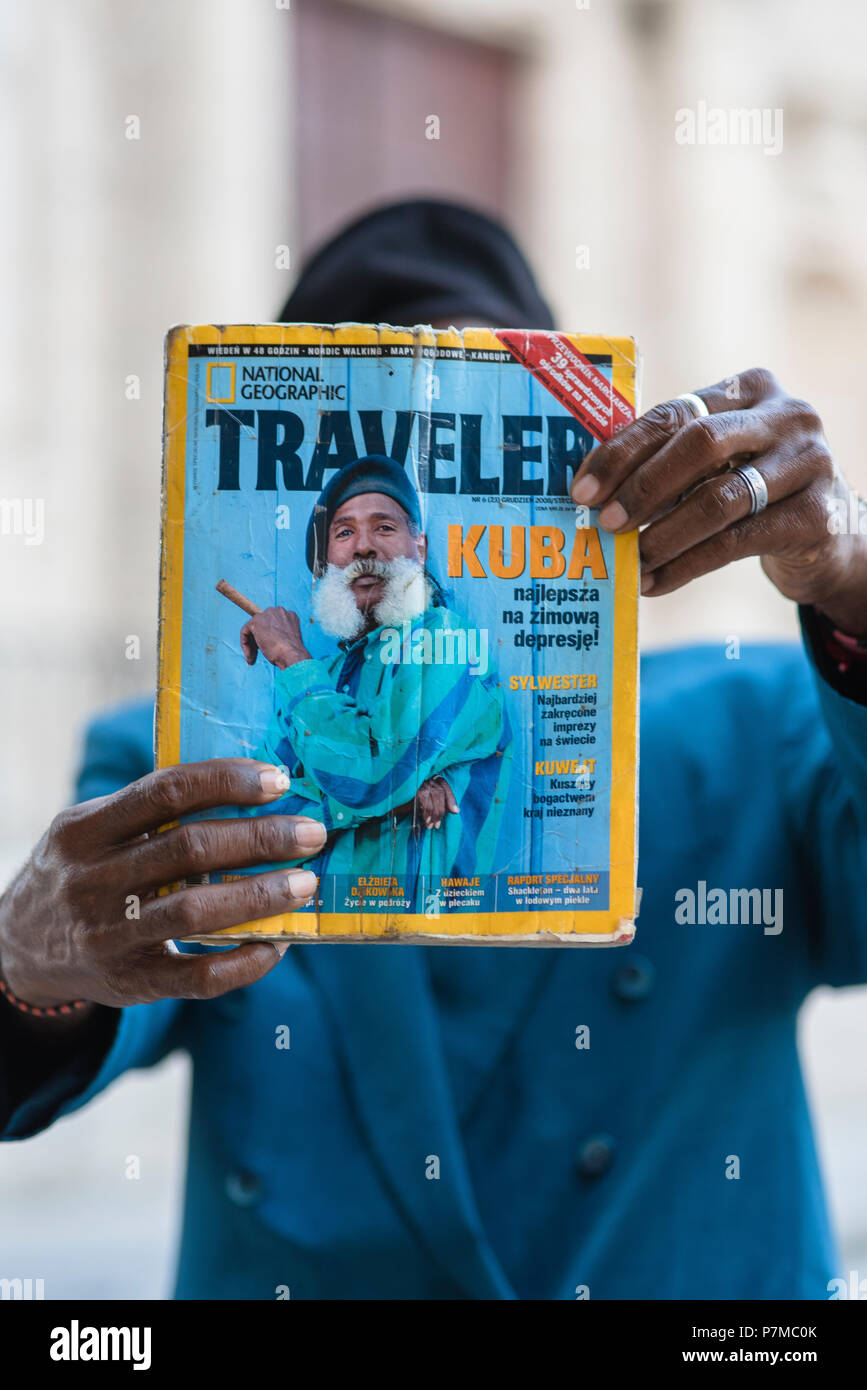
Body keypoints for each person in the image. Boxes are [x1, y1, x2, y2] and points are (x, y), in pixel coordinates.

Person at [1, 198, 866, 1301]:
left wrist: (853, 575)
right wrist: (27, 964)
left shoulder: (745, 727)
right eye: (346, 526)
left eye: (408, 514)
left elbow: (382, 761)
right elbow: (103, 996)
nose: (372, 548)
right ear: (316, 552)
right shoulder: (180, 753)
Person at [236, 453, 512, 903]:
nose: (363, 547)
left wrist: (289, 654)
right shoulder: (316, 677)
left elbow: (368, 779)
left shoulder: (445, 640)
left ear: (418, 548)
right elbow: (267, 817)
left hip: (426, 939)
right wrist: (400, 800)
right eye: (344, 532)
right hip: (311, 939)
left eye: (384, 527)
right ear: (326, 564)